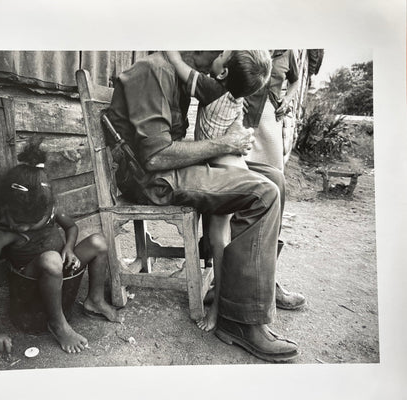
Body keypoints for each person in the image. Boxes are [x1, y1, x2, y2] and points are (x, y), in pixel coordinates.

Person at [106, 51, 300, 362]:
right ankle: (239, 320)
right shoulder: (153, 70)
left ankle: (251, 286)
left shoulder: (185, 74)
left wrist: (230, 141)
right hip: (154, 179)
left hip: (172, 168)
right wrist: (227, 144)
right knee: (263, 194)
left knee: (274, 178)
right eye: (222, 47)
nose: (224, 51)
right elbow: (155, 157)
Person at [0, 138, 123, 355]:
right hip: (32, 278)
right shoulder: (2, 234)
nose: (21, 228)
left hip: (61, 267)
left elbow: (71, 227)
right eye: (16, 220)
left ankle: (95, 300)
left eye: (29, 223)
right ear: (4, 207)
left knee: (99, 242)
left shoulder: (51, 211)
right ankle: (57, 324)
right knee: (51, 259)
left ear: (47, 210)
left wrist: (70, 248)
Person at [164, 50, 272, 332]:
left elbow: (175, 62)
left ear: (223, 73)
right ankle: (210, 287)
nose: (218, 52)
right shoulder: (238, 96)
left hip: (224, 173)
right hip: (234, 167)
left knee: (218, 240)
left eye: (222, 55)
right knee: (217, 238)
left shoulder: (211, 88)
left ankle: (218, 307)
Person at [244, 49, 306, 310]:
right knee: (237, 197)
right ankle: (224, 278)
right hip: (242, 120)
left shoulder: (287, 52)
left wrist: (288, 100)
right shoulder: (247, 44)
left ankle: (268, 281)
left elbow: (295, 80)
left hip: (270, 122)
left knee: (276, 192)